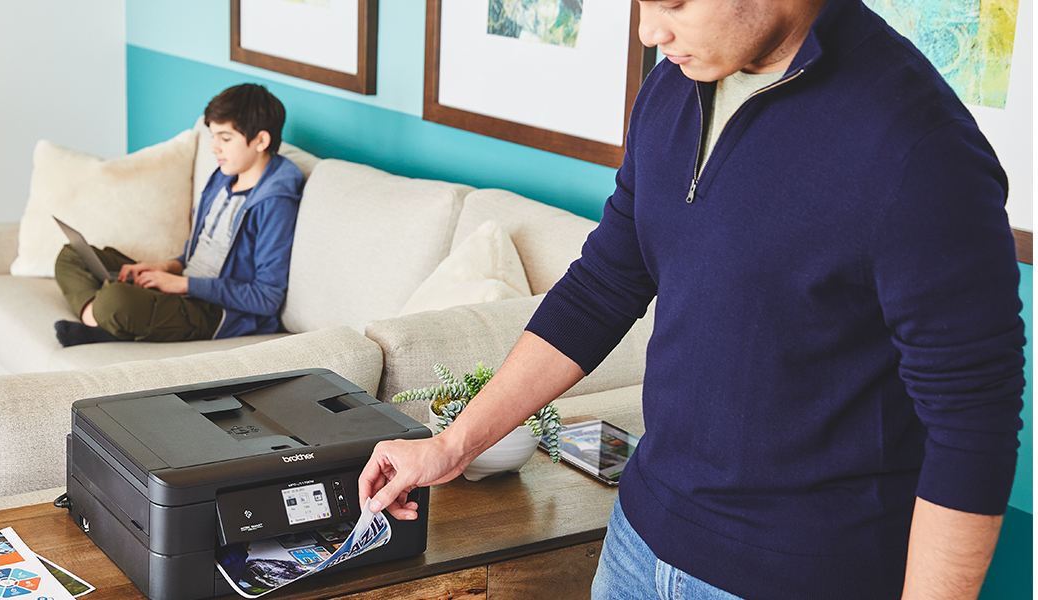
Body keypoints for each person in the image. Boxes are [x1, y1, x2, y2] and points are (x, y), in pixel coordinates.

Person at [357, 1, 1026, 599]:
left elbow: (973, 427)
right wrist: (454, 443)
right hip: (638, 542)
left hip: (803, 576)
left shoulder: (919, 147)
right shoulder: (673, 86)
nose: (649, 28)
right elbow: (602, 287)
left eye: (675, 1)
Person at [53, 83, 304, 346]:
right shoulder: (224, 176)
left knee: (116, 300)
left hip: (213, 312)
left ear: (261, 141)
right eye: (213, 136)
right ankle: (103, 323)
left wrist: (182, 285)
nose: (214, 148)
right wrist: (165, 268)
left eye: (225, 138)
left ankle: (107, 319)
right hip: (183, 285)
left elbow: (266, 298)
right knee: (72, 255)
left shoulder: (275, 202)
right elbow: (199, 252)